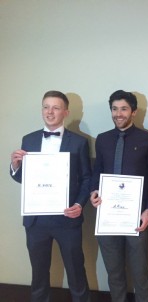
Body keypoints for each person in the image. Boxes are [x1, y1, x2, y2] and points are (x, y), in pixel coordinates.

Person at [10, 90, 92, 302]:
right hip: (36, 221)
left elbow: (86, 179)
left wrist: (79, 204)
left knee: (76, 274)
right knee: (38, 276)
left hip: (68, 218)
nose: (50, 111)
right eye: (46, 106)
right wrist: (15, 166)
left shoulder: (79, 143)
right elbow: (24, 180)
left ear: (65, 112)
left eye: (55, 107)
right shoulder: (28, 139)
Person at [90, 90, 148, 302]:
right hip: (107, 216)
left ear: (134, 112)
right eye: (114, 109)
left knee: (140, 272)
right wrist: (94, 191)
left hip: (137, 217)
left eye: (123, 109)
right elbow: (97, 172)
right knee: (114, 271)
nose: (118, 114)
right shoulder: (102, 139)